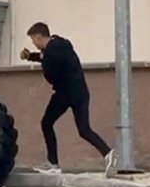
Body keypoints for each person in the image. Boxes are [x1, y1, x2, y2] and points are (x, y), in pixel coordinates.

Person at [19, 22, 118, 177]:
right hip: (81, 92)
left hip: (64, 93)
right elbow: (48, 57)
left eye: (33, 40)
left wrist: (44, 65)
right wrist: (31, 56)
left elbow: (50, 74)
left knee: (46, 123)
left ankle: (53, 164)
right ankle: (108, 153)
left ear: (38, 37)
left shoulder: (51, 52)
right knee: (84, 130)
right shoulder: (60, 44)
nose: (33, 43)